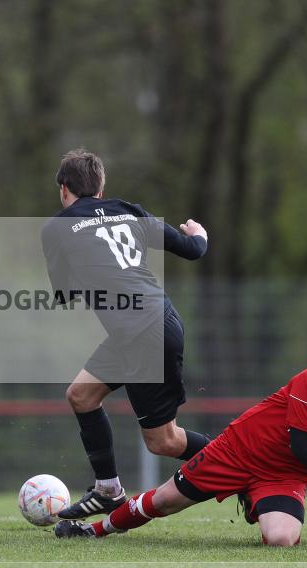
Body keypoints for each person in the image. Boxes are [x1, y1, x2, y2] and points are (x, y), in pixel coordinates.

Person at [55, 350, 307, 546]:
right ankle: (94, 530)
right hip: (237, 451)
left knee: (281, 540)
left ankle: (254, 498)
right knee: (163, 501)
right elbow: (301, 445)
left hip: (283, 477)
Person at [41, 149, 211, 520]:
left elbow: (64, 293)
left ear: (64, 189)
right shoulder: (127, 210)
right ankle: (107, 489)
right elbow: (193, 249)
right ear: (100, 191)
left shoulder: (56, 227)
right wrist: (200, 233)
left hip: (143, 332)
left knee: (163, 441)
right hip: (145, 324)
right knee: (81, 395)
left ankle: (241, 467)